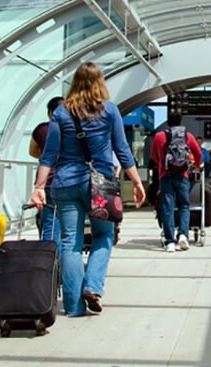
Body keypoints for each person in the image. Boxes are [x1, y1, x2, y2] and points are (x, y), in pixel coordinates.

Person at [31, 62, 146, 317]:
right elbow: (122, 150)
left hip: (65, 183)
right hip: (100, 184)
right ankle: (92, 286)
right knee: (103, 235)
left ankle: (73, 307)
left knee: (70, 242)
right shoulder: (110, 110)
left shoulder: (61, 113)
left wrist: (39, 187)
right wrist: (137, 182)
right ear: (100, 82)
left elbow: (48, 155)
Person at [150, 114, 203, 253]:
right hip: (183, 176)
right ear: (180, 122)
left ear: (168, 122)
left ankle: (170, 242)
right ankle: (183, 235)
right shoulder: (187, 136)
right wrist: (196, 166)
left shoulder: (159, 136)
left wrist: (162, 164)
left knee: (167, 207)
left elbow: (153, 155)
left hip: (165, 176)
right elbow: (198, 154)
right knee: (184, 205)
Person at [29, 96, 65, 241]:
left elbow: (32, 151)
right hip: (69, 180)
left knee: (50, 224)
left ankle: (49, 254)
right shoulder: (73, 128)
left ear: (50, 112)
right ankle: (63, 255)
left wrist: (46, 158)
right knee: (70, 227)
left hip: (47, 181)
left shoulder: (42, 129)